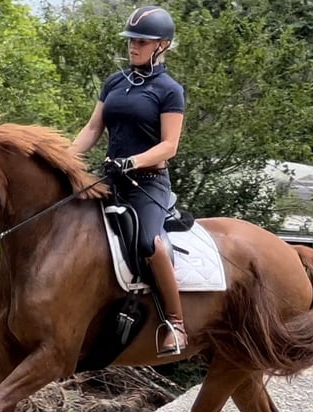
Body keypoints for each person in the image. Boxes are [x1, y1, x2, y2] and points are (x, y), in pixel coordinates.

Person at [69, 5, 187, 357]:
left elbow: (170, 145)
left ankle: (176, 325)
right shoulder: (115, 82)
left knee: (150, 244)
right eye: (131, 40)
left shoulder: (169, 90)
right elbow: (92, 129)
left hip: (148, 183)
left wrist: (132, 161)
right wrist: (63, 159)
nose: (132, 46)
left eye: (141, 41)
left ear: (161, 45)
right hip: (110, 179)